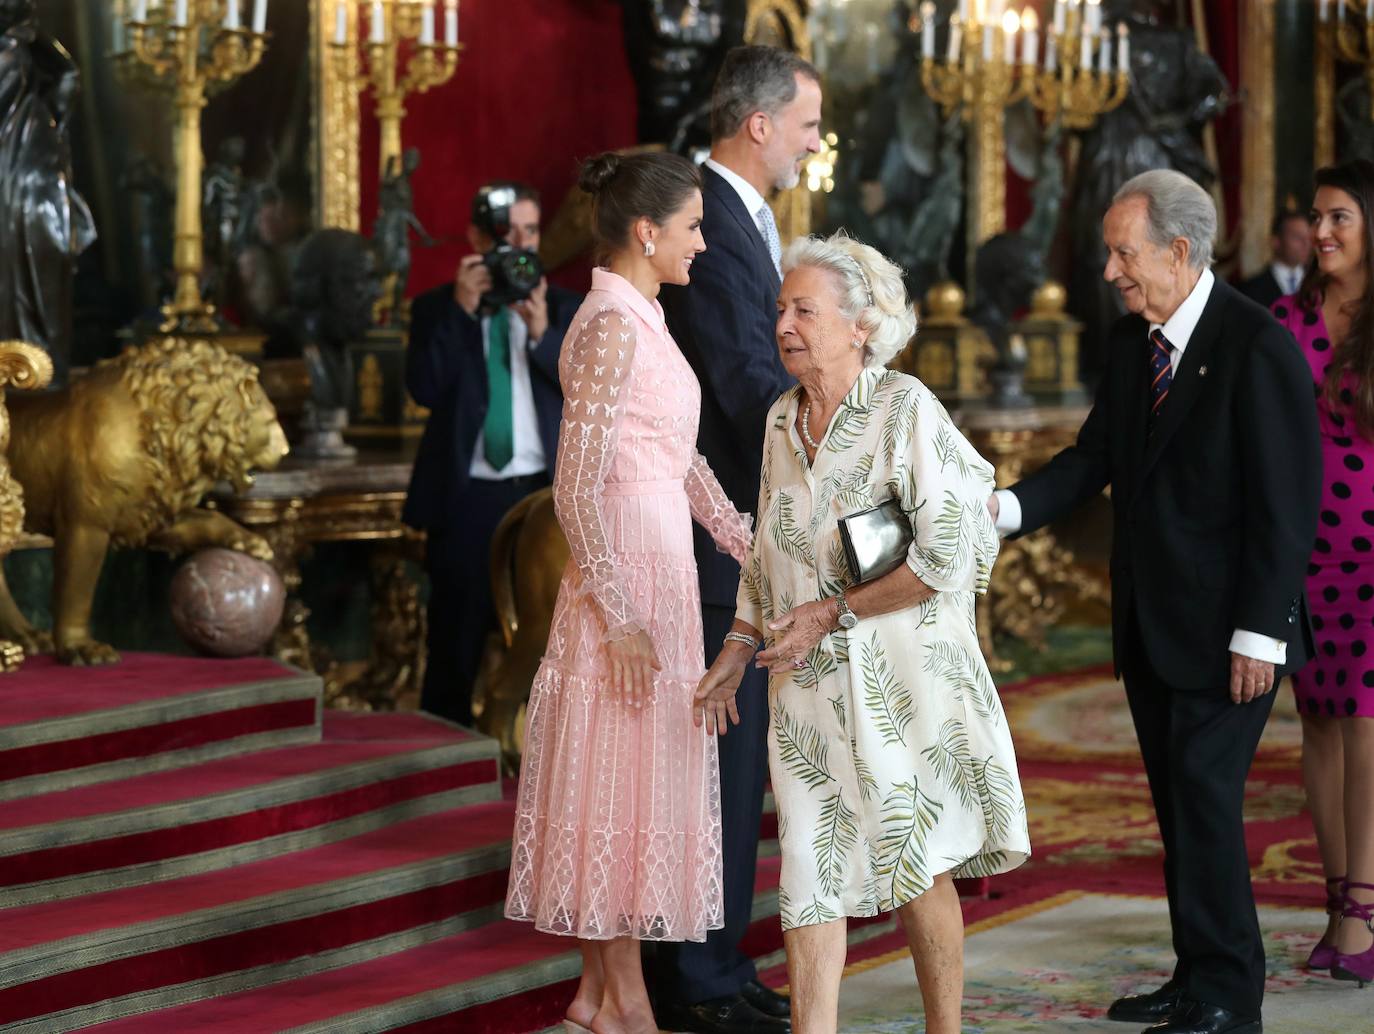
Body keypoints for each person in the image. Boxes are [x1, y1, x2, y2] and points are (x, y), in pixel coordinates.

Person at [989, 169, 1321, 1034]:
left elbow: (1287, 507)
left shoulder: (1258, 347)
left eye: (1121, 253)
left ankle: (1228, 997)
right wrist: (1003, 511)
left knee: (1206, 797)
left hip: (1229, 635)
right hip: (1151, 625)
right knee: (1178, 802)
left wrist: (1259, 632)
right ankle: (1195, 974)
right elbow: (1093, 457)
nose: (1109, 271)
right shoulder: (1139, 341)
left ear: (1178, 251)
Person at [693, 231, 1029, 1034]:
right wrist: (737, 649)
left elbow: (947, 556)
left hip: (902, 678)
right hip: (805, 686)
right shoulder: (780, 421)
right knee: (808, 872)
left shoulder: (905, 409)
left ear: (861, 326)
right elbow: (765, 554)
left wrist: (832, 613)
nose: (784, 325)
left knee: (915, 868)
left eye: (804, 310)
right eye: (780, 309)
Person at [504, 150, 755, 1034]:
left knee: (630, 787)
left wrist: (745, 543)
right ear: (646, 232)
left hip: (663, 572)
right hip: (627, 589)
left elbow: (675, 456)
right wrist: (617, 615)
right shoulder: (612, 325)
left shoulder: (640, 315)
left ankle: (594, 1000)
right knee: (614, 788)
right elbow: (574, 485)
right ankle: (628, 1008)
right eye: (692, 227)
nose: (702, 243)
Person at [657, 44, 822, 1034]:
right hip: (711, 538)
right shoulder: (714, 218)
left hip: (742, 536)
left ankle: (719, 958)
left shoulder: (740, 216)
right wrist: (836, 429)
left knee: (739, 766)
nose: (813, 139)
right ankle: (699, 977)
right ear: (758, 123)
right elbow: (741, 377)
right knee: (718, 768)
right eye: (806, 122)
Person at [402, 182, 581, 726]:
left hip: (543, 497)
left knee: (551, 638)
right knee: (455, 635)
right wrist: (461, 311)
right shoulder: (437, 308)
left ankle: (536, 758)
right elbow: (424, 389)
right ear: (478, 237)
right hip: (467, 499)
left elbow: (591, 392)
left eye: (528, 232)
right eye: (504, 235)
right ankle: (445, 760)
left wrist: (543, 335)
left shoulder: (566, 306)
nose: (516, 246)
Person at [1269, 159, 1374, 986]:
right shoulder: (1284, 317)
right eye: (1317, 217)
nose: (1322, 232)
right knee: (1323, 723)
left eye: (1340, 217)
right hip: (1304, 550)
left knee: (1369, 725)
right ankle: (1339, 898)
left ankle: (1361, 913)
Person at [1237, 210, 1312, 309]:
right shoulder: (1249, 290)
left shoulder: (1320, 285)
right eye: (1297, 237)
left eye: (1308, 237)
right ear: (1276, 241)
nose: (1306, 244)